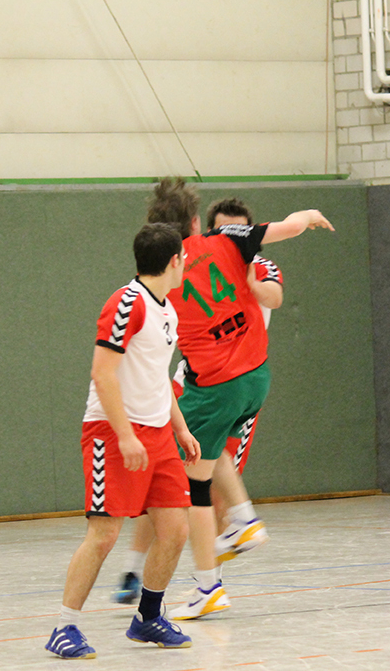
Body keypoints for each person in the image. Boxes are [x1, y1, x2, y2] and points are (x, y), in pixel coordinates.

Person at [145, 178, 333, 620]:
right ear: (196, 221)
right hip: (256, 375)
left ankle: (209, 584)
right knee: (211, 455)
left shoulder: (162, 276)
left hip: (214, 386)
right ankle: (243, 521)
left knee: (192, 486)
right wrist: (308, 215)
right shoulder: (230, 239)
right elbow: (290, 227)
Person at [113, 198, 285, 605]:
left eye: (239, 229)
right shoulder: (183, 266)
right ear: (203, 228)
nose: (230, 234)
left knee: (204, 483)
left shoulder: (257, 263)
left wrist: (250, 283)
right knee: (176, 478)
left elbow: (274, 296)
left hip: (234, 379)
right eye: (222, 227)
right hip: (197, 378)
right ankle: (145, 570)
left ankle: (213, 576)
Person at [45, 224, 201, 659]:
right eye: (185, 258)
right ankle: (64, 627)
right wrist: (126, 435)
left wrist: (180, 428)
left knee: (175, 529)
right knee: (104, 534)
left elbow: (157, 377)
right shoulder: (125, 303)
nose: (186, 264)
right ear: (175, 261)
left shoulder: (167, 311)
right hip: (111, 433)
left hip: (158, 435)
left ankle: (148, 618)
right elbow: (102, 373)